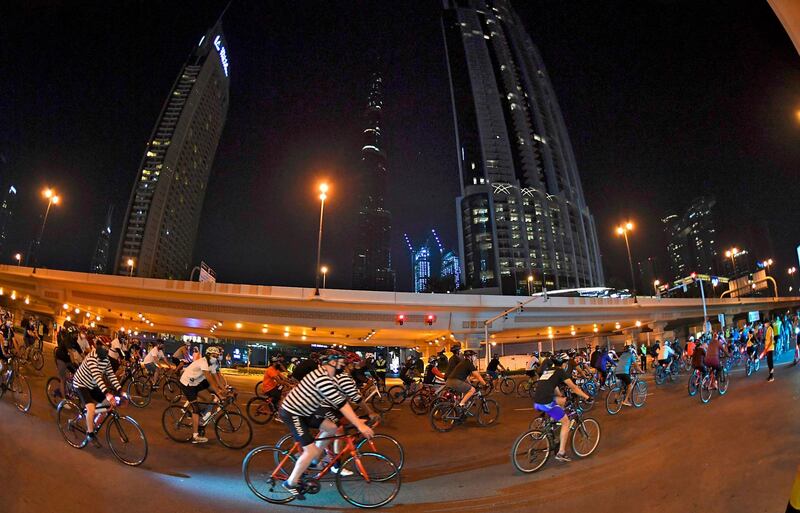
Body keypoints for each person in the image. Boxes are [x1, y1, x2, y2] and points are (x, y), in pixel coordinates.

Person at [278, 350, 374, 499]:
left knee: (333, 427)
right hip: (293, 413)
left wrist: (355, 420)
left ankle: (312, 459)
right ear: (332, 362)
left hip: (306, 411)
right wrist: (359, 424)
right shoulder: (321, 378)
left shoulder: (327, 376)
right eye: (342, 363)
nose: (344, 366)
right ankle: (291, 483)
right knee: (311, 451)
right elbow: (342, 404)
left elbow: (342, 402)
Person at [533, 352, 591, 463]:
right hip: (546, 402)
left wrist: (561, 397)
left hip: (537, 401)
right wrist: (587, 397)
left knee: (562, 401)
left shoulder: (548, 370)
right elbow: (574, 388)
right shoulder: (560, 371)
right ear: (564, 364)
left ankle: (551, 424)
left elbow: (554, 388)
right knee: (566, 422)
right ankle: (561, 453)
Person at [71, 339, 126, 446]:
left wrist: (120, 390)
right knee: (91, 407)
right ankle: (90, 434)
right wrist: (108, 394)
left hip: (92, 385)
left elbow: (110, 375)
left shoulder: (105, 358)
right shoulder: (92, 358)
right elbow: (97, 377)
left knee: (107, 405)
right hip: (81, 384)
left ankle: (92, 423)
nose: (104, 358)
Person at [179, 346, 228, 443]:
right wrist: (219, 393)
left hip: (196, 382)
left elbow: (216, 379)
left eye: (217, 355)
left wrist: (224, 389)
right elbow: (210, 379)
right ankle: (195, 436)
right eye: (214, 355)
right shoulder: (203, 362)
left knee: (209, 398)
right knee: (196, 409)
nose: (216, 357)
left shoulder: (213, 363)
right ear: (208, 355)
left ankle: (199, 417)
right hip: (187, 383)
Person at [762, 317, 776, 382]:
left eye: (765, 323)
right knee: (769, 362)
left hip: (770, 348)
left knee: (770, 363)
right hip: (768, 348)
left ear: (768, 323)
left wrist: (766, 348)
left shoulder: (770, 329)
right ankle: (770, 375)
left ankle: (772, 376)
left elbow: (771, 340)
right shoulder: (768, 329)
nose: (764, 324)